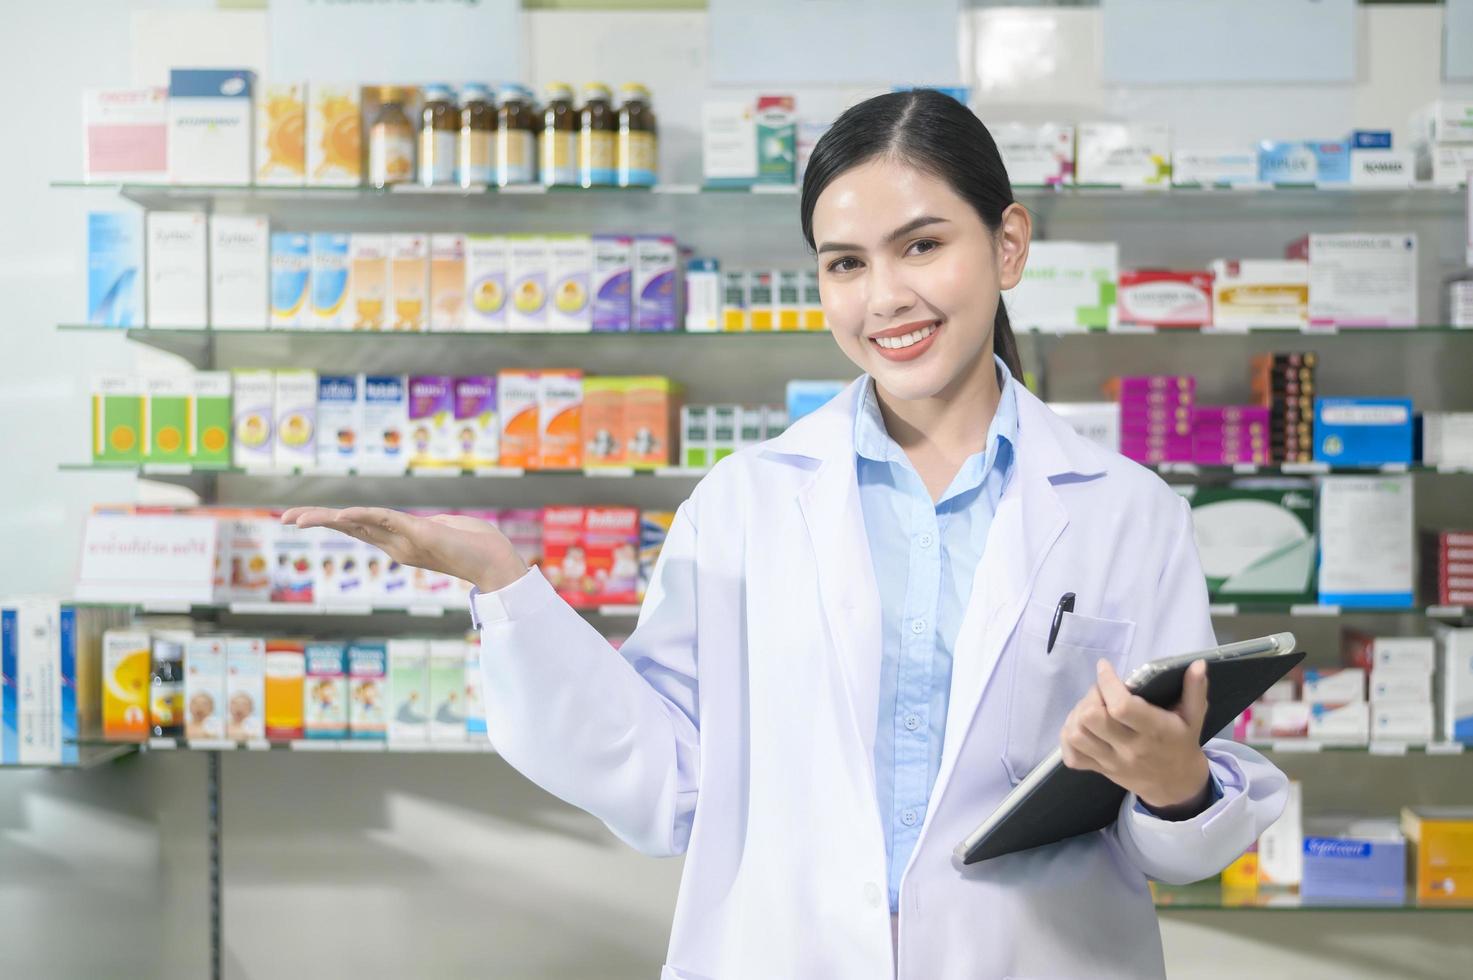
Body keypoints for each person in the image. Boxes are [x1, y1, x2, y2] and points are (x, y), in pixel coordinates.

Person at [282, 90, 1287, 980]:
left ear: (1008, 244)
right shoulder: (744, 504)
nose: (884, 296)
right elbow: (669, 778)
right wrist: (504, 582)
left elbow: (1189, 835)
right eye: (845, 262)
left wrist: (1172, 782)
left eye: (923, 244)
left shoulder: (1125, 509)